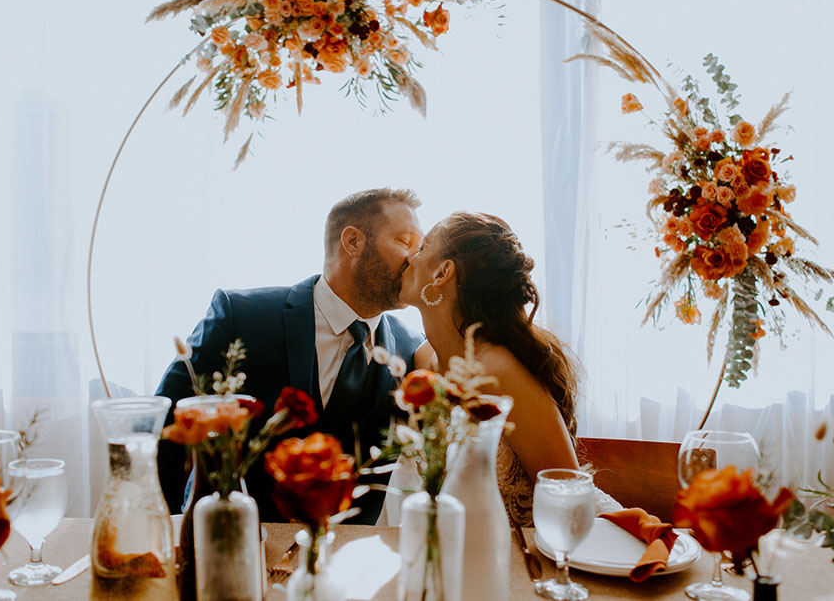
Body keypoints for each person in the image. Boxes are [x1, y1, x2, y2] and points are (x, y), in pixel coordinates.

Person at [156, 188, 426, 524]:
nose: (415, 259)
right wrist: (168, 535)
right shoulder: (240, 315)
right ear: (353, 242)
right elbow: (164, 428)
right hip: (237, 548)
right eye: (405, 241)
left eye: (420, 248)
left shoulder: (415, 349)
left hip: (350, 563)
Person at [399, 211, 620, 526]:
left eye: (423, 248)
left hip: (540, 552)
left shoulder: (498, 371)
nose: (410, 257)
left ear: (442, 273)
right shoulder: (424, 361)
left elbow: (570, 498)